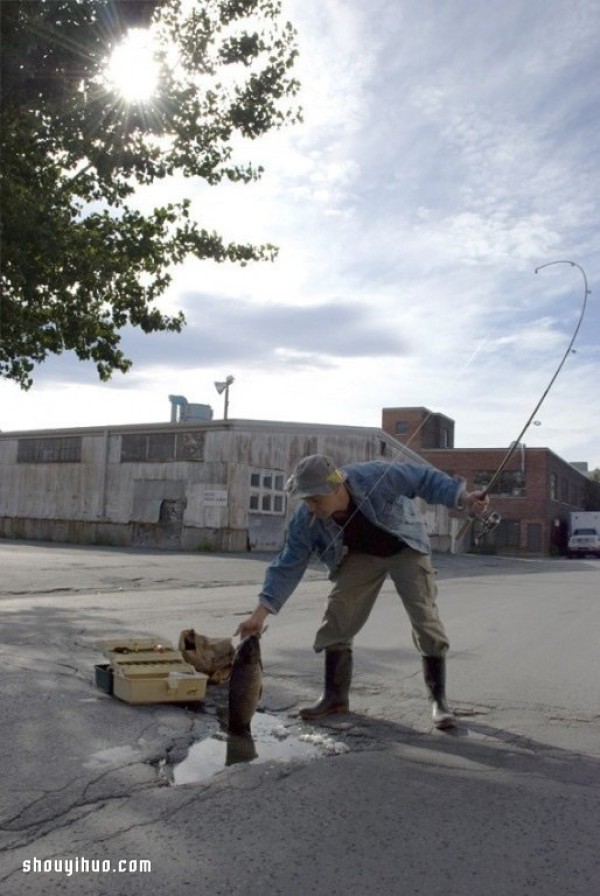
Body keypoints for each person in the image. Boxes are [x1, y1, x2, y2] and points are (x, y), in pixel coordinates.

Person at [235, 454, 489, 729]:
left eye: (315, 499)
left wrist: (462, 498)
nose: (310, 507)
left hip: (404, 546)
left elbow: (423, 479)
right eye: (305, 500)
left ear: (336, 487)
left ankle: (439, 701)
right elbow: (287, 564)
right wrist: (259, 615)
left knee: (424, 616)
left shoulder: (374, 477)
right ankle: (334, 697)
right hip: (360, 555)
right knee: (338, 614)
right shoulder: (306, 519)